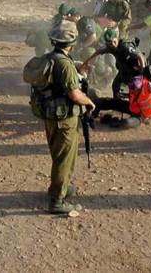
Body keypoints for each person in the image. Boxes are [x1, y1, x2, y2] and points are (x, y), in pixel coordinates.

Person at [42, 20, 95, 213]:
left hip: (52, 115)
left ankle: (59, 187)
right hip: (64, 118)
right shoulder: (64, 63)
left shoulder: (52, 57)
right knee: (64, 158)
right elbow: (74, 94)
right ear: (72, 42)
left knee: (60, 155)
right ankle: (57, 201)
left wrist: (77, 72)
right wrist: (89, 102)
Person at [81, 27, 145, 100]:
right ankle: (117, 103)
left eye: (113, 41)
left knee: (134, 88)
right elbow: (98, 52)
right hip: (123, 69)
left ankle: (134, 103)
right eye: (109, 43)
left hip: (134, 70)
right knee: (115, 86)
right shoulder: (109, 47)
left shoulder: (125, 46)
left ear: (116, 37)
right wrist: (85, 63)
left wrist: (142, 72)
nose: (112, 44)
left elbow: (140, 56)